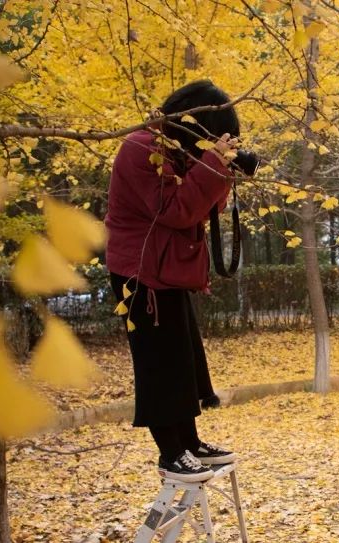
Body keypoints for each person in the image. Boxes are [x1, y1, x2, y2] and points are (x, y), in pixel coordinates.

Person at [105, 79, 240, 483]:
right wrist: (212, 165)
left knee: (182, 362)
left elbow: (205, 208)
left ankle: (189, 443)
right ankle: (170, 453)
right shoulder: (143, 149)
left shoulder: (177, 152)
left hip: (168, 270)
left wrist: (222, 168)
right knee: (158, 364)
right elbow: (176, 211)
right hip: (140, 274)